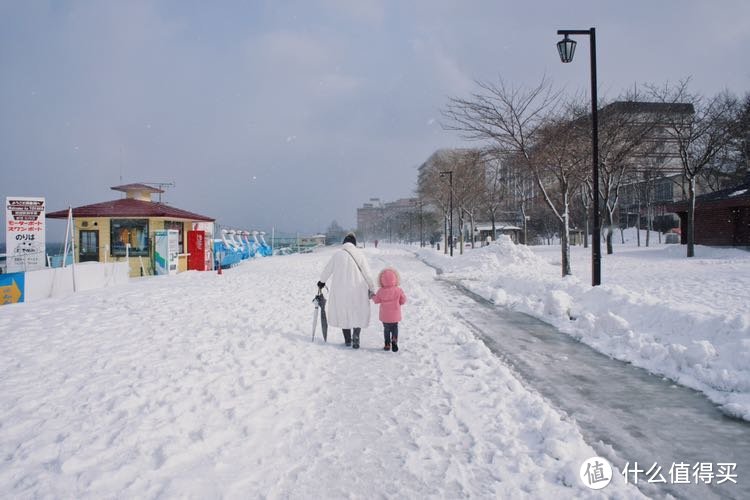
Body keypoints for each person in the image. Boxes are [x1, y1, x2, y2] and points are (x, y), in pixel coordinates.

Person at [317, 232, 375, 349]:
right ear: (354, 244)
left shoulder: (337, 255)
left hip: (341, 290)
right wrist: (372, 288)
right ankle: (356, 337)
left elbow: (327, 270)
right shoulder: (360, 254)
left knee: (343, 313)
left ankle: (348, 340)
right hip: (358, 289)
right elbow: (367, 274)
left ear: (344, 243)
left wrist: (321, 282)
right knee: (357, 312)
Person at [371, 267, 407, 352]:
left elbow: (376, 300)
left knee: (386, 329)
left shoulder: (381, 291)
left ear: (381, 280)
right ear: (395, 278)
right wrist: (399, 303)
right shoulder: (398, 290)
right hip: (395, 314)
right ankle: (394, 340)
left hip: (385, 316)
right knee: (395, 327)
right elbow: (403, 300)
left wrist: (372, 295)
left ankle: (387, 344)